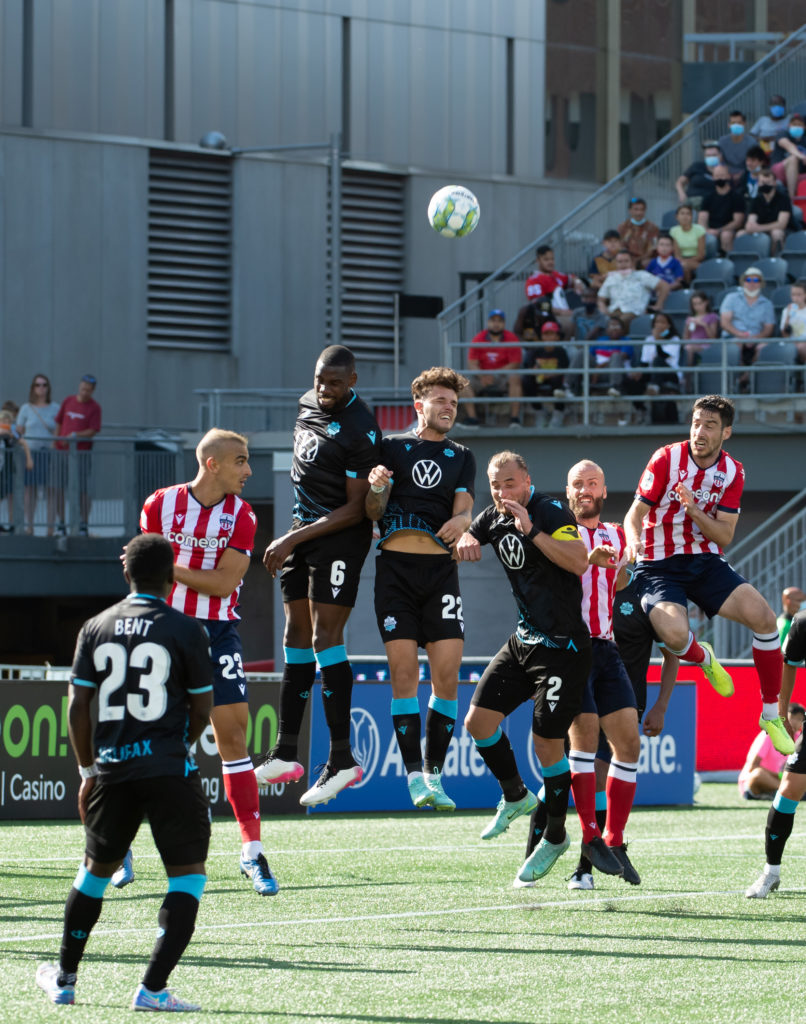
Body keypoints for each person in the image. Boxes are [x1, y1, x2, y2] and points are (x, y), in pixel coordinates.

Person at [35, 534, 214, 1011]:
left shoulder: (95, 627)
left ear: (126, 573)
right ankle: (152, 989)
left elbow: (78, 708)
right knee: (188, 879)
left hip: (112, 771)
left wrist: (87, 768)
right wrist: (179, 747)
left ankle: (66, 980)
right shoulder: (187, 628)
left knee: (93, 873)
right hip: (169, 767)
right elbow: (202, 705)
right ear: (172, 576)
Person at [140, 428, 277, 895]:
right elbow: (142, 579)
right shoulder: (159, 504)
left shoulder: (243, 515)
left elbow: (222, 584)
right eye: (241, 461)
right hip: (164, 633)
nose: (249, 470)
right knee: (146, 739)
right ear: (213, 463)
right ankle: (117, 846)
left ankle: (252, 855)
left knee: (233, 738)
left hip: (218, 633)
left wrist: (167, 564)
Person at [624, 394, 794, 758]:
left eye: (710, 426)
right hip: (656, 564)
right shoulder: (666, 458)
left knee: (764, 619)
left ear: (726, 432)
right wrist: (634, 542)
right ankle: (704, 659)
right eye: (696, 423)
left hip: (704, 559)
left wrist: (695, 510)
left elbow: (724, 535)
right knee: (673, 634)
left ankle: (769, 715)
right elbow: (633, 515)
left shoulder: (733, 471)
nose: (700, 431)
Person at [456, 451, 591, 887]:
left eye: (510, 484)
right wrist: (462, 539)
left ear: (527, 480)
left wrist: (532, 531)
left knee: (547, 746)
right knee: (477, 723)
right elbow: (464, 535)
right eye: (495, 486)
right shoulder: (493, 516)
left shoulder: (549, 511)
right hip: (524, 641)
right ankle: (515, 794)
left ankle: (554, 836)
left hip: (564, 647)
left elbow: (578, 561)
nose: (502, 493)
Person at [257, 346, 381, 806]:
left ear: (353, 380)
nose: (324, 390)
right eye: (318, 381)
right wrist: (293, 537)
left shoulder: (361, 428)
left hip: (338, 538)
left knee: (326, 638)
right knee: (295, 634)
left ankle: (342, 759)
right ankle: (286, 751)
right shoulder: (307, 403)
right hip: (300, 534)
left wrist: (291, 539)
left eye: (334, 383)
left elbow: (354, 509)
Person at [364, 367, 475, 810]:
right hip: (396, 571)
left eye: (453, 402)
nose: (448, 407)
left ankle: (434, 773)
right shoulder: (391, 448)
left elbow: (464, 509)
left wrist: (464, 521)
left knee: (447, 677)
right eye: (440, 400)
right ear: (419, 404)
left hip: (440, 575)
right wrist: (377, 491)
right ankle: (413, 776)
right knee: (404, 675)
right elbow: (373, 511)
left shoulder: (461, 455)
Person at [745, 606, 806, 899]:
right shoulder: (803, 621)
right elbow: (789, 663)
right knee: (788, 790)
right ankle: (771, 872)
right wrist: (781, 713)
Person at [54, 374, 102, 537]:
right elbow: (59, 422)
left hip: (81, 455)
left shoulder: (95, 407)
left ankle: (83, 523)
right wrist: (56, 441)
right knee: (59, 488)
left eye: (88, 390)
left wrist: (75, 436)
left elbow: (93, 430)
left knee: (82, 490)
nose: (85, 392)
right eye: (83, 388)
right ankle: (61, 523)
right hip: (62, 453)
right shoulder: (68, 401)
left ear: (93, 391)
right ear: (79, 387)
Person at [461, 310, 523, 428]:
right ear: (488, 322)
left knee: (515, 378)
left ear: (504, 324)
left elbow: (515, 364)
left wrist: (494, 374)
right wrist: (482, 376)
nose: (496, 324)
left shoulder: (512, 338)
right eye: (493, 320)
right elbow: (472, 363)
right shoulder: (478, 338)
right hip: (482, 377)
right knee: (462, 382)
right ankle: (473, 420)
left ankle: (514, 420)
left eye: (499, 321)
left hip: (502, 377)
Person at [16, 373, 59, 535]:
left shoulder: (55, 408)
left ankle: (50, 528)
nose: (41, 388)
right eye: (37, 385)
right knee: (30, 491)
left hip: (48, 453)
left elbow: (58, 431)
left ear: (48, 388)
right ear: (33, 388)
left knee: (51, 490)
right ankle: (30, 526)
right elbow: (19, 431)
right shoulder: (26, 408)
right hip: (30, 454)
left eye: (44, 385)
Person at [738, 702, 805, 800]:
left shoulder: (800, 738)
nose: (795, 722)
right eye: (792, 717)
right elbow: (753, 767)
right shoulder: (769, 735)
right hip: (754, 786)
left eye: (799, 719)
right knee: (758, 774)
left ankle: (785, 793)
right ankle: (790, 793)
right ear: (783, 718)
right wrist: (780, 776)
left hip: (781, 781)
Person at [719, 266, 775, 367]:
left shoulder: (767, 304)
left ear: (761, 283)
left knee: (764, 347)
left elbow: (768, 329)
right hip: (733, 337)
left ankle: (748, 375)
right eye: (748, 279)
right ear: (743, 281)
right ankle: (737, 375)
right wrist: (740, 335)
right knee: (737, 344)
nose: (751, 283)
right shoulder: (731, 298)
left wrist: (754, 338)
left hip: (756, 338)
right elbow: (725, 323)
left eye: (756, 280)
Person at [597, 250, 670, 326]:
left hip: (633, 312)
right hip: (613, 312)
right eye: (620, 262)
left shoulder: (642, 276)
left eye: (626, 261)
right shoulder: (611, 278)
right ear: (616, 263)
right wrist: (604, 311)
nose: (623, 264)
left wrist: (659, 304)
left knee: (617, 324)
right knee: (600, 323)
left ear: (632, 262)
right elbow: (601, 299)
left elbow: (665, 286)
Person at [524, 320, 573, 427]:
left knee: (558, 382)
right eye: (546, 334)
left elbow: (563, 370)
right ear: (542, 337)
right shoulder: (535, 351)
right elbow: (530, 368)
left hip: (554, 378)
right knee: (526, 381)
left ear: (557, 337)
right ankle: (539, 411)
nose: (549, 337)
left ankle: (559, 412)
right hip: (540, 377)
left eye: (552, 334)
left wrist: (547, 374)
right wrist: (538, 373)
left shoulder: (561, 351)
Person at [737, 168, 792, 254]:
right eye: (762, 182)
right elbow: (751, 222)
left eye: (768, 182)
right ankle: (747, 261)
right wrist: (751, 227)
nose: (765, 185)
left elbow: (781, 224)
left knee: (776, 233)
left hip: (782, 230)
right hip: (762, 229)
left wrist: (759, 228)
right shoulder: (756, 200)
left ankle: (774, 261)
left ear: (774, 183)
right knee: (740, 234)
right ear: (758, 183)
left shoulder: (783, 198)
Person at [697, 165, 746, 253]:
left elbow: (738, 222)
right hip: (711, 230)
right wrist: (706, 231)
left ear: (728, 176)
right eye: (717, 176)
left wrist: (719, 230)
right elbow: (702, 219)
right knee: (705, 236)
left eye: (722, 175)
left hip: (730, 230)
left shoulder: (737, 197)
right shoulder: (708, 197)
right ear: (713, 177)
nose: (719, 178)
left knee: (725, 235)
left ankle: (727, 262)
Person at [0, 406, 32, 532]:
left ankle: (13, 523)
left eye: (8, 421)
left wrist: (29, 459)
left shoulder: (11, 434)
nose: (6, 424)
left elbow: (23, 443)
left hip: (5, 470)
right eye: (3, 421)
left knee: (6, 495)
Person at [674, 141, 722, 205]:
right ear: (704, 156)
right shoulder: (696, 166)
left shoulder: (724, 171)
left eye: (714, 155)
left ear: (720, 155)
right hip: (692, 202)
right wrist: (681, 194)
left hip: (713, 204)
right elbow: (679, 182)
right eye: (708, 155)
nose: (711, 157)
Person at [770, 113, 806, 198]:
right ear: (789, 125)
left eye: (799, 124)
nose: (796, 127)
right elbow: (788, 146)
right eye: (794, 124)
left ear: (804, 127)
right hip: (779, 170)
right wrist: (802, 156)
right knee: (793, 159)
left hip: (798, 174)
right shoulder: (783, 134)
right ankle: (791, 199)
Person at [617, 198, 659, 267]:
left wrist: (638, 260)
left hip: (644, 259)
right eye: (636, 209)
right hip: (627, 258)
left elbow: (652, 248)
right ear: (630, 211)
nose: (639, 213)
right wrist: (629, 259)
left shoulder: (652, 227)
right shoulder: (623, 227)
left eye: (642, 210)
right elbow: (621, 246)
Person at [670, 204, 706, 284]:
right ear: (677, 217)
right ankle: (686, 288)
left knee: (685, 265)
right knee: (683, 266)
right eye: (682, 213)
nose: (685, 216)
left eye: (688, 214)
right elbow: (677, 254)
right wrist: (682, 261)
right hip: (680, 260)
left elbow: (701, 255)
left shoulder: (699, 230)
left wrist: (686, 262)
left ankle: (687, 288)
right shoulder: (673, 231)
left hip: (697, 260)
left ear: (692, 216)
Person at [683, 291, 720, 369]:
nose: (697, 307)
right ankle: (685, 374)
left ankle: (689, 373)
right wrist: (688, 326)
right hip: (691, 345)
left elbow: (713, 338)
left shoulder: (712, 316)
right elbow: (685, 338)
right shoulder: (690, 318)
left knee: (689, 348)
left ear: (706, 302)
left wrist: (704, 325)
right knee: (687, 348)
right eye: (694, 304)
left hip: (706, 345)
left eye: (700, 303)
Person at [718, 111, 758, 180]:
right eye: (733, 123)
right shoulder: (722, 141)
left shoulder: (752, 142)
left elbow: (754, 163)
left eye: (739, 123)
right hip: (726, 175)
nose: (736, 125)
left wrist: (743, 174)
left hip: (746, 175)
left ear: (744, 123)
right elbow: (720, 161)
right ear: (729, 125)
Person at [780, 280, 806, 363]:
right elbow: (784, 334)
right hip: (790, 343)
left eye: (799, 295)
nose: (795, 298)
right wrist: (788, 316)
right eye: (793, 295)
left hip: (803, 343)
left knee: (801, 347)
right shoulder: (786, 311)